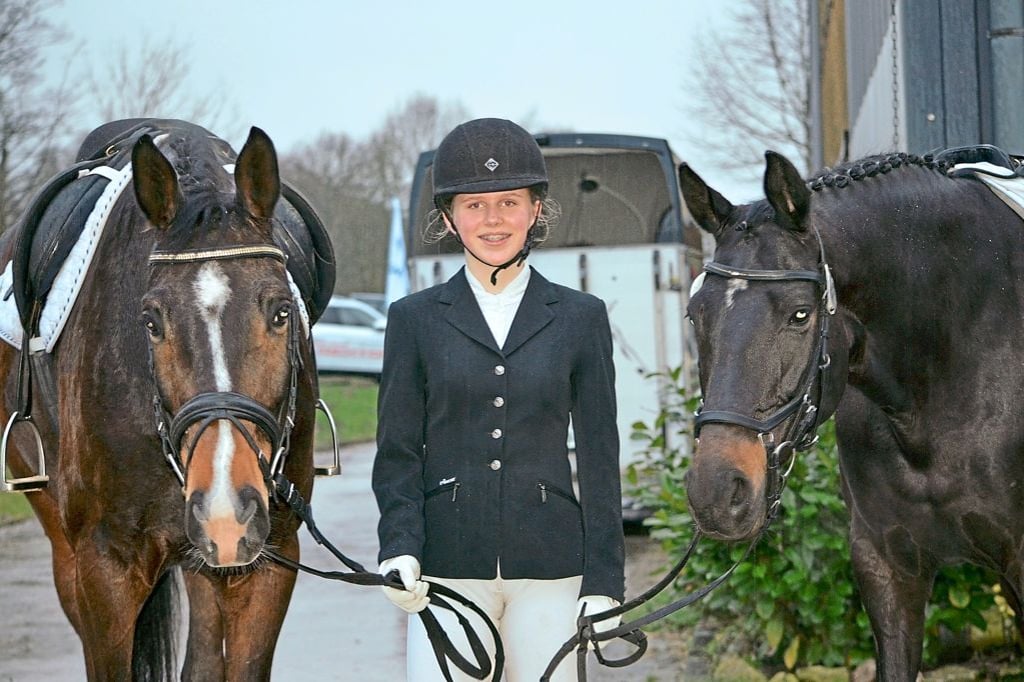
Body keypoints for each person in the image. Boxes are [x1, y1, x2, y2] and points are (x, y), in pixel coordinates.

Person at [372, 117, 626, 681]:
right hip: (447, 566)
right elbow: (397, 452)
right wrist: (399, 545)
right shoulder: (412, 320)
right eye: (475, 206)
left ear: (536, 210)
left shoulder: (581, 319)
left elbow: (600, 456)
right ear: (449, 218)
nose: (493, 220)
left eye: (509, 202)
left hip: (550, 567)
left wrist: (605, 582)